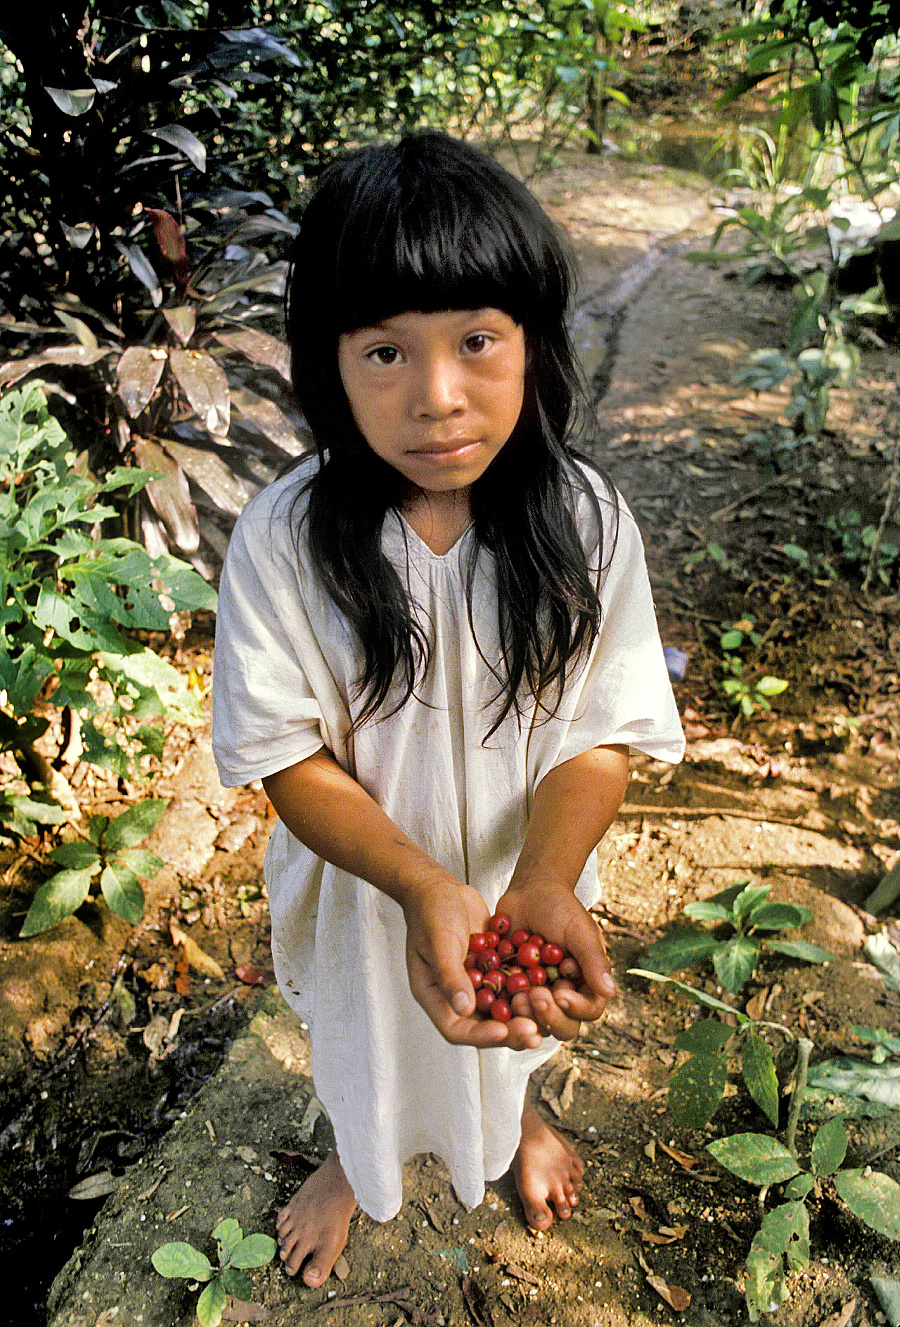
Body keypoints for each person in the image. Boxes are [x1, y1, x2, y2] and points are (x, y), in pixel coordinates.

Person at [211, 131, 684, 1290]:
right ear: (327, 366)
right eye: (385, 353)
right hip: (363, 883)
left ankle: (514, 1124)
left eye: (477, 340)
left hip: (522, 859)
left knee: (508, 1021)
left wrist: (545, 878)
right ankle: (351, 1157)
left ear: (531, 343)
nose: (437, 396)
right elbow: (285, 755)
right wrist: (422, 883)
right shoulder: (282, 542)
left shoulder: (584, 523)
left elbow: (600, 729)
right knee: (364, 1031)